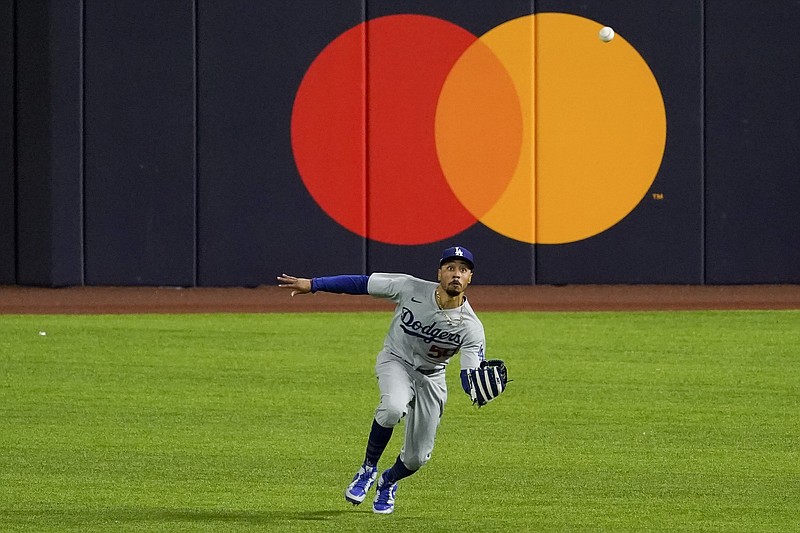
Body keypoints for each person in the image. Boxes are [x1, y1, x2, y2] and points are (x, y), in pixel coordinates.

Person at [277, 246, 487, 514]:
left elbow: (469, 374)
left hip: (432, 378)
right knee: (392, 407)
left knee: (417, 458)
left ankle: (388, 481)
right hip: (396, 361)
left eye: (463, 269)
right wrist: (314, 284)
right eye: (450, 268)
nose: (456, 274)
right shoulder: (409, 287)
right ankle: (367, 469)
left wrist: (476, 389)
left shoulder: (471, 327)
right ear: (439, 273)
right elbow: (362, 284)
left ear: (470, 278)